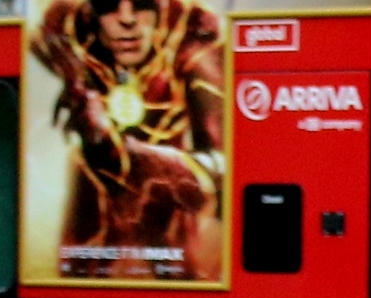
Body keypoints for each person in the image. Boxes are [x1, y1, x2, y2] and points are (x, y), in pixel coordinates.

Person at [29, 0, 228, 282]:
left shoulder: (193, 32)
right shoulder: (68, 25)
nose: (127, 19)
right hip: (94, 212)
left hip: (167, 219)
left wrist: (118, 150)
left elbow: (223, 170)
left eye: (141, 3)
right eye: (108, 4)